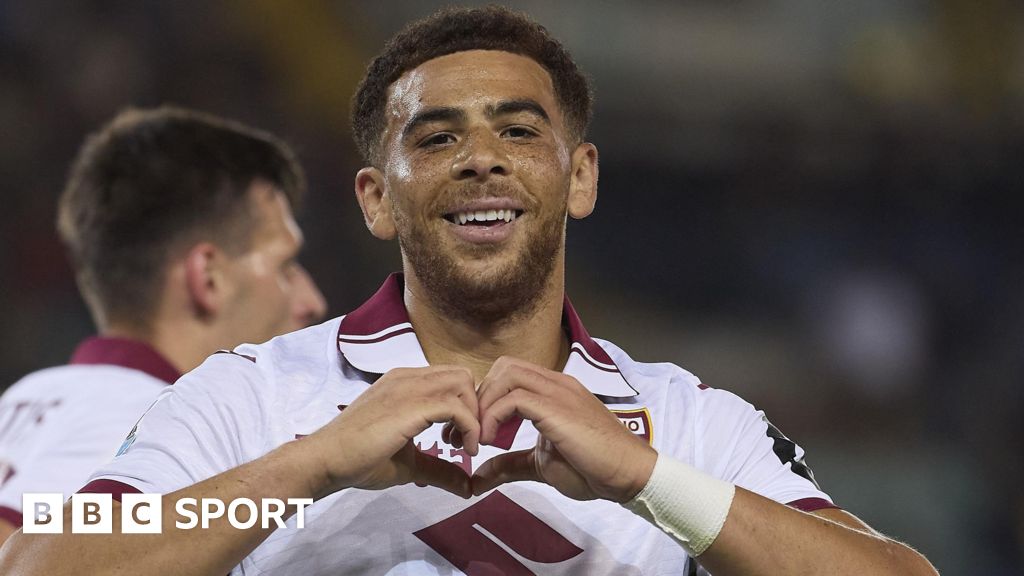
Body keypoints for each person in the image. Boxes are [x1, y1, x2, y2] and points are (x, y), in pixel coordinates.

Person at [0, 7, 936, 575]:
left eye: (520, 132)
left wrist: (646, 482)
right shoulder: (248, 396)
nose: (481, 157)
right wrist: (310, 466)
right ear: (376, 197)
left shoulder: (688, 424)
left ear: (581, 178)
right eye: (436, 138)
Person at [0, 106, 326, 545]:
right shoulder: (144, 418)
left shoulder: (31, 395)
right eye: (285, 267)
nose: (312, 302)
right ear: (208, 278)